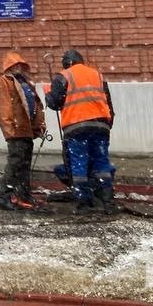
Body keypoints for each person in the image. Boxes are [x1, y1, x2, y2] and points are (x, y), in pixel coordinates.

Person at [45, 49, 115, 213]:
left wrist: (48, 94)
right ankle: (108, 202)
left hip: (76, 127)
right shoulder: (96, 75)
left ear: (67, 63)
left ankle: (83, 203)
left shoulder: (64, 76)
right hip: (101, 125)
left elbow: (55, 103)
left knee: (79, 165)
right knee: (102, 163)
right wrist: (107, 123)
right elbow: (108, 102)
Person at [0, 51, 46, 210]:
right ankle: (5, 195)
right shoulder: (4, 82)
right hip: (16, 130)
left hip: (26, 129)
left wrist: (39, 125)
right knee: (15, 163)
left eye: (21, 65)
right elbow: (4, 108)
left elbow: (36, 105)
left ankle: (23, 194)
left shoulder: (26, 83)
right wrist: (10, 130)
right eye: (15, 65)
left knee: (24, 164)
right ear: (9, 66)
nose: (18, 68)